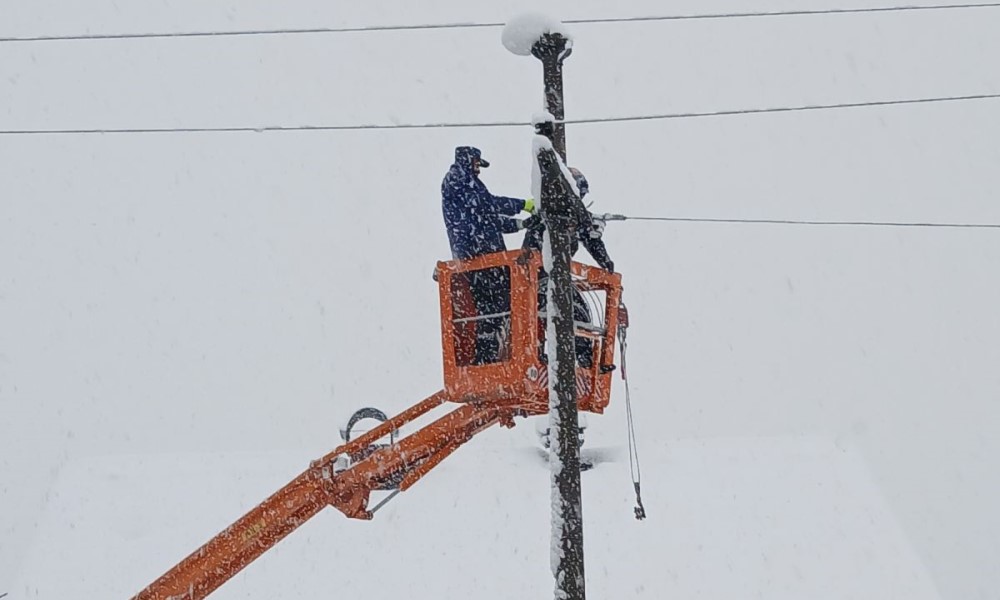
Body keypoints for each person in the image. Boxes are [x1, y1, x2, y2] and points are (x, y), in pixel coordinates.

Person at [442, 146, 533, 364]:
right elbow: (488, 206)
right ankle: (486, 358)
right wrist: (523, 205)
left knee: (496, 308)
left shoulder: (464, 183)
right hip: (479, 256)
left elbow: (487, 219)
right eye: (477, 164)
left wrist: (520, 223)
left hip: (481, 254)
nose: (479, 170)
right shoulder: (459, 178)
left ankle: (489, 356)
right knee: (493, 307)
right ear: (469, 160)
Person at [521, 167, 614, 367]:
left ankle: (584, 356)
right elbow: (540, 239)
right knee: (544, 314)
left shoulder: (576, 215)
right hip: (536, 277)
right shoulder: (549, 212)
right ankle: (542, 356)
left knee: (579, 312)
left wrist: (606, 262)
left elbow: (590, 238)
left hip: (554, 277)